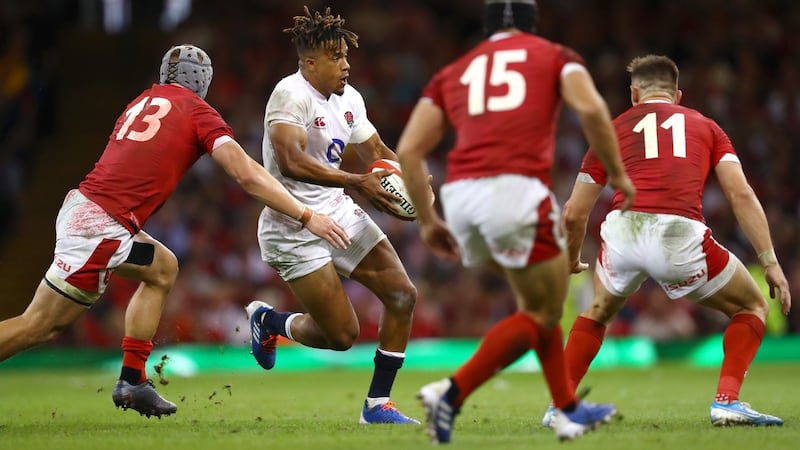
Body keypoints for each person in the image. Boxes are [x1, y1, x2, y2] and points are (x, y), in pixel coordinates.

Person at [0, 44, 350, 418]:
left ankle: (133, 381)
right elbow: (246, 174)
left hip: (88, 210)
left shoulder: (141, 100)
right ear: (203, 81)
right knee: (39, 326)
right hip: (101, 226)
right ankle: (132, 382)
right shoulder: (198, 111)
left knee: (162, 267)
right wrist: (305, 214)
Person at [395, 0, 636, 443]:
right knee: (546, 310)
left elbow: (409, 149)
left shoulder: (454, 71)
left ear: (487, 30)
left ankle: (566, 410)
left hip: (461, 199)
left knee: (538, 308)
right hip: (515, 192)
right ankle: (450, 391)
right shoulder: (555, 56)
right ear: (533, 25)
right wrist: (618, 173)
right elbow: (592, 110)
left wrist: (428, 220)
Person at [547, 54, 791, 427]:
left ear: (633, 94)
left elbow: (573, 212)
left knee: (597, 311)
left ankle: (559, 406)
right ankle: (727, 401)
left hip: (623, 231)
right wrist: (770, 261)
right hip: (678, 234)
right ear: (677, 95)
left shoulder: (609, 130)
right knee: (752, 306)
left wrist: (571, 259)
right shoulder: (706, 126)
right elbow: (740, 195)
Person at [246, 6, 426, 424]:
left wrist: (412, 183)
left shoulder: (351, 98)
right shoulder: (290, 94)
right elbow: (290, 161)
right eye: (336, 57)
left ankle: (377, 405)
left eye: (346, 56)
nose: (346, 65)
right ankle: (269, 320)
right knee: (343, 336)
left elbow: (377, 154)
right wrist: (356, 181)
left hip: (337, 211)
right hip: (293, 224)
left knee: (403, 295)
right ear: (310, 63)